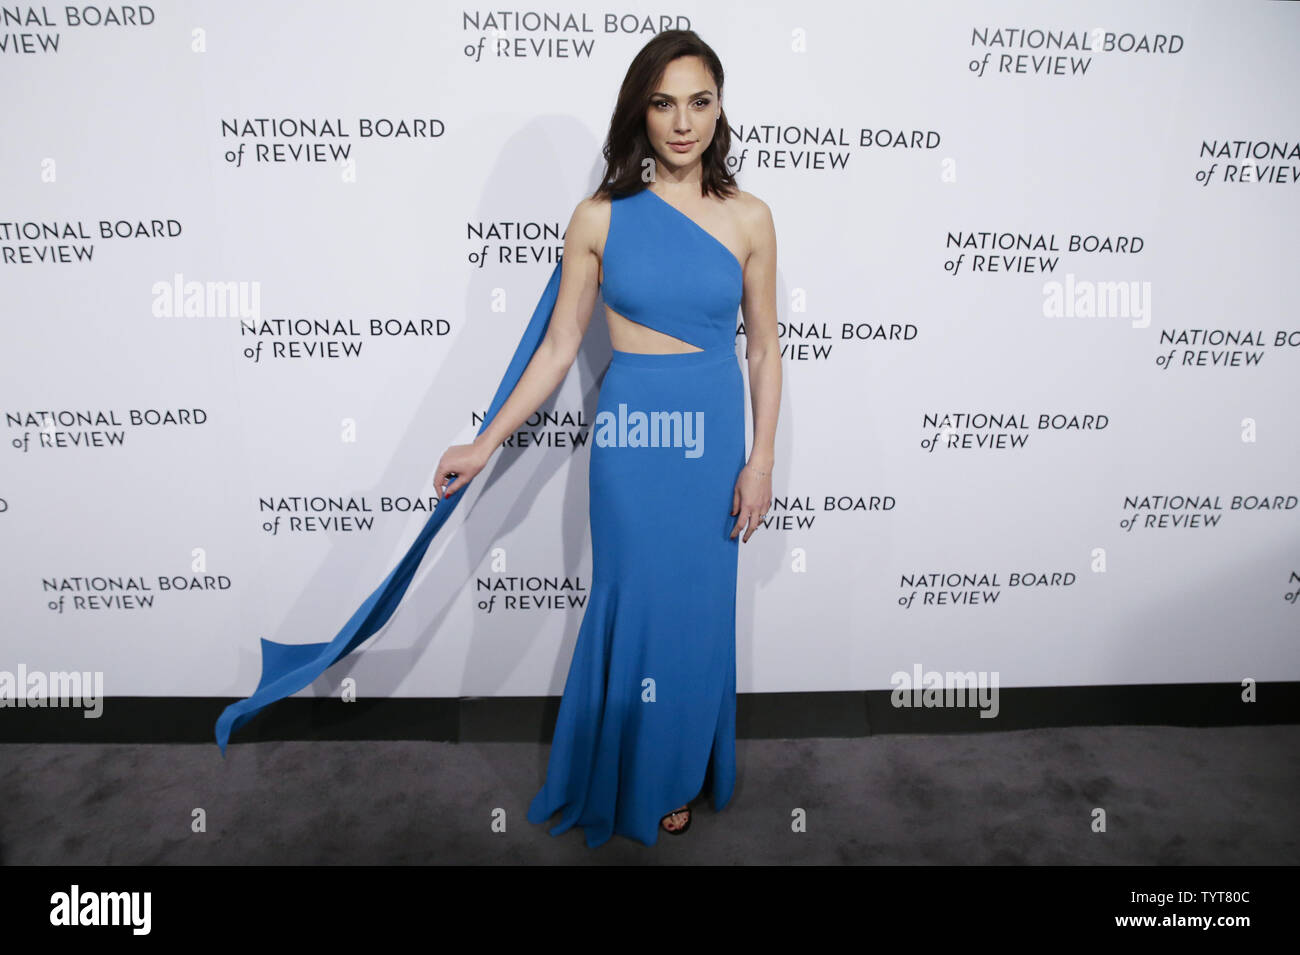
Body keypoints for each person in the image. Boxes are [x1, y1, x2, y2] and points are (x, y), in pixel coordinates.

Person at [213, 29, 780, 849]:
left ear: (721, 108)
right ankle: (630, 770)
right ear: (640, 112)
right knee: (636, 604)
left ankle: (678, 767)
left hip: (713, 435)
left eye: (700, 101)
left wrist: (760, 458)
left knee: (696, 612)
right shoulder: (597, 217)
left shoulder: (752, 218)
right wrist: (484, 444)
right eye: (663, 102)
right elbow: (558, 350)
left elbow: (762, 345)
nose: (682, 122)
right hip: (633, 441)